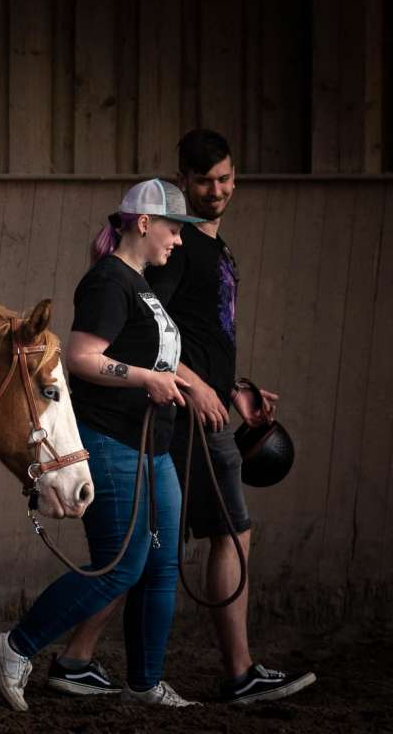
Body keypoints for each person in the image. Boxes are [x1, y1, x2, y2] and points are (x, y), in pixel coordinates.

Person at [48, 130, 316, 705]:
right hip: (182, 413)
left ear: (235, 176)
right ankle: (238, 674)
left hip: (203, 403)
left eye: (224, 178)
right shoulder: (175, 248)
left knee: (145, 549)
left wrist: (234, 386)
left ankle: (78, 658)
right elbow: (149, 331)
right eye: (203, 182)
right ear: (181, 184)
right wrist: (191, 386)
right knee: (215, 535)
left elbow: (182, 334)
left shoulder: (207, 247)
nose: (216, 190)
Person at [0, 179, 203, 710]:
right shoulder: (108, 281)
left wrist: (176, 382)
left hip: (153, 444)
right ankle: (14, 647)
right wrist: (146, 379)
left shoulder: (141, 285)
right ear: (144, 224)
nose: (178, 240)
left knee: (162, 564)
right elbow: (81, 357)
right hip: (112, 439)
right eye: (173, 228)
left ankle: (146, 682)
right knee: (120, 564)